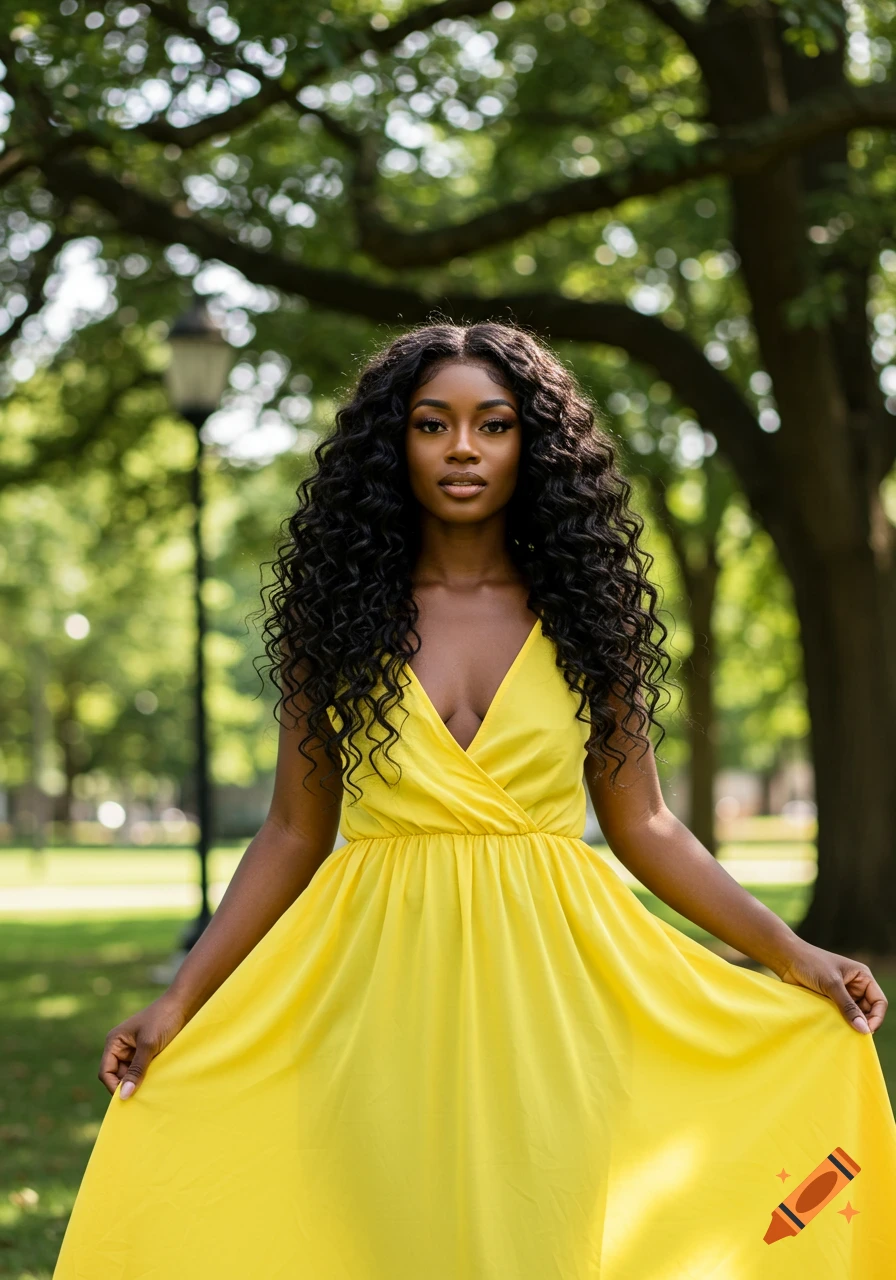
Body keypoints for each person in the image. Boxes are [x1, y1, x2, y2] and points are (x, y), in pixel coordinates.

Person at [54, 321, 896, 1278]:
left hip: (558, 994)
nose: (463, 447)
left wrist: (791, 955)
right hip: (371, 995)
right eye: (432, 423)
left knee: (549, 1238)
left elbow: (645, 824)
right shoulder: (333, 618)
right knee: (389, 1244)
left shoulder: (589, 614)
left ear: (530, 445)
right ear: (393, 444)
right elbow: (294, 830)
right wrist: (178, 1001)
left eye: (493, 425)